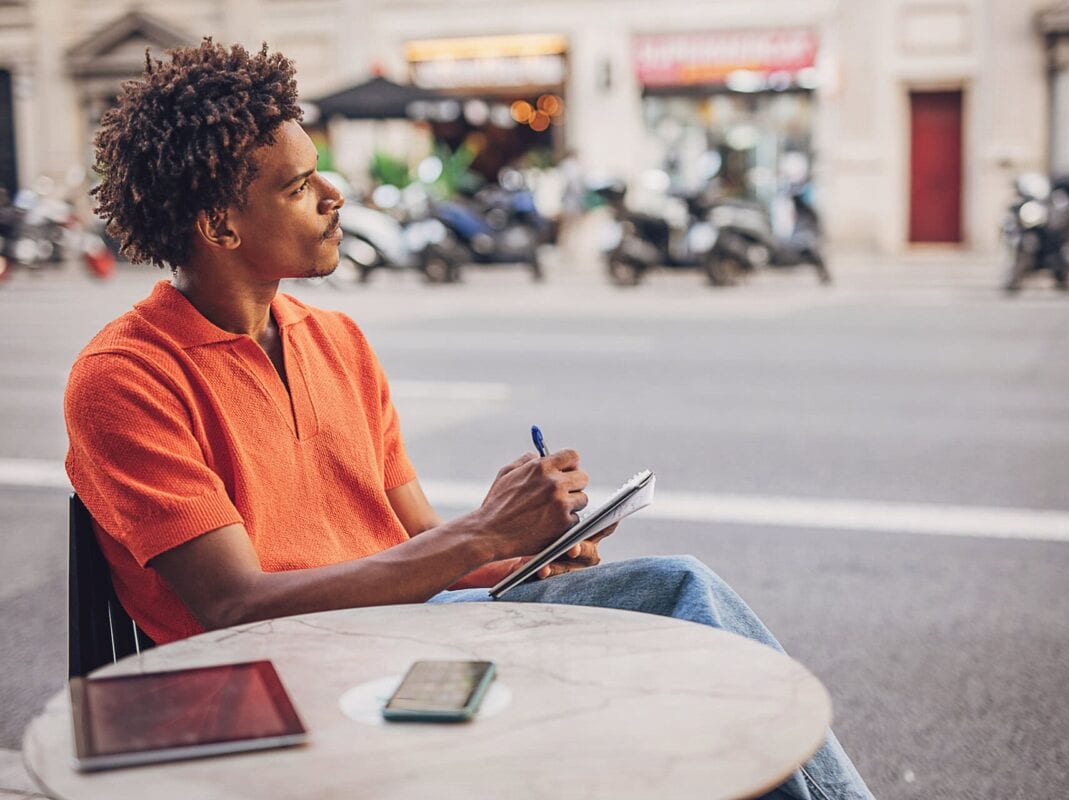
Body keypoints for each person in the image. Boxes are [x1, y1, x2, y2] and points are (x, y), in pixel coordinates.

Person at [64, 40, 873, 800]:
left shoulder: (336, 339)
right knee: (677, 596)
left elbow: (424, 552)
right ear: (218, 225)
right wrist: (481, 535)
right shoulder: (126, 378)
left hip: (397, 643)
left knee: (670, 611)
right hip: (268, 686)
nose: (333, 193)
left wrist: (526, 554)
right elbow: (235, 607)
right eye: (297, 185)